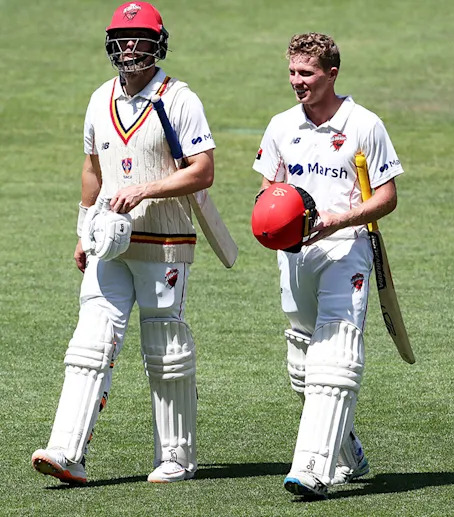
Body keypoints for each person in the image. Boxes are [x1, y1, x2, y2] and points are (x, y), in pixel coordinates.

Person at [31, 1, 216, 484]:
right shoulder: (99, 98)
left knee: (165, 346)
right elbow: (92, 169)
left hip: (166, 240)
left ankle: (176, 457)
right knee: (91, 342)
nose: (130, 46)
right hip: (108, 243)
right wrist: (82, 229)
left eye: (140, 39)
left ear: (158, 43)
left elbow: (203, 171)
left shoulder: (179, 99)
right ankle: (67, 452)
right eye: (122, 38)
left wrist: (146, 188)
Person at [251, 32, 404, 499]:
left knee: (334, 353)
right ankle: (348, 452)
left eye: (308, 74)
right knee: (302, 363)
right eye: (293, 73)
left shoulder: (365, 125)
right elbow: (268, 190)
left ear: (331, 74)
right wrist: (273, 218)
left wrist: (338, 218)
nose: (298, 82)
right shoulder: (280, 126)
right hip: (297, 252)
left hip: (348, 248)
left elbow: (387, 198)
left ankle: (313, 468)